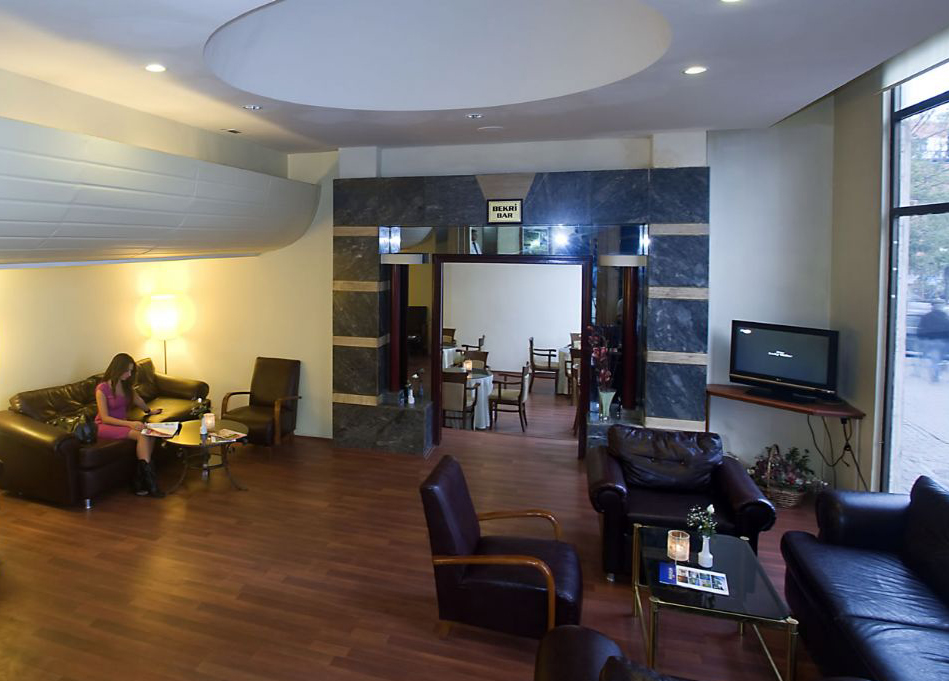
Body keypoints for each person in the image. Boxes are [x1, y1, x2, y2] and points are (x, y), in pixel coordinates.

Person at [95, 353, 165, 497]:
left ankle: (139, 481)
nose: (129, 374)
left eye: (131, 371)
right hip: (104, 426)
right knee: (141, 435)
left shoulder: (126, 386)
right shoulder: (102, 388)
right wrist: (130, 424)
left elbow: (138, 400)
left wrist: (149, 411)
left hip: (121, 423)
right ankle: (151, 483)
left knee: (151, 433)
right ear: (117, 369)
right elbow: (105, 418)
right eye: (126, 371)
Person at [917, 300, 949, 382]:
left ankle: (919, 372)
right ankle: (935, 374)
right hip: (940, 342)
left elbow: (921, 328)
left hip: (929, 341)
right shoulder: (944, 317)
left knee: (930, 359)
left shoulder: (926, 316)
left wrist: (921, 339)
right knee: (937, 359)